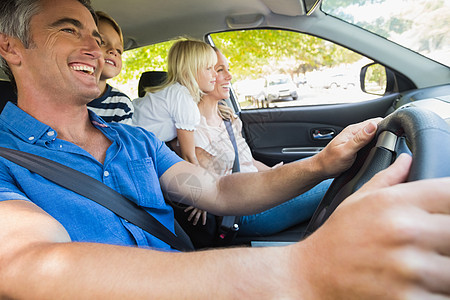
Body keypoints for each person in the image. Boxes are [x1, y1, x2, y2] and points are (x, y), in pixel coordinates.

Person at [0, 1, 449, 298]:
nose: (94, 48)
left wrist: (322, 164)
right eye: (68, 29)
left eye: (97, 38)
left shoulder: (134, 140)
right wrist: (299, 270)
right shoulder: (5, 158)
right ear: (11, 47)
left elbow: (221, 193)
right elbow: (28, 263)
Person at [185, 47, 332, 236]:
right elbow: (206, 186)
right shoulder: (194, 130)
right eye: (219, 69)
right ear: (198, 75)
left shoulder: (227, 118)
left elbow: (249, 163)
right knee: (332, 181)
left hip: (261, 187)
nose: (229, 75)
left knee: (325, 164)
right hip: (244, 211)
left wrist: (274, 173)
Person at [132, 39, 217, 164]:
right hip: (127, 146)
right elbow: (188, 157)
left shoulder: (172, 92)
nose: (215, 74)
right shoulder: (182, 97)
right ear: (189, 71)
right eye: (209, 68)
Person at [87, 10, 134, 124]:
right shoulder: (64, 95)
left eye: (119, 50)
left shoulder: (121, 105)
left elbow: (122, 141)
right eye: (102, 42)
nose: (113, 51)